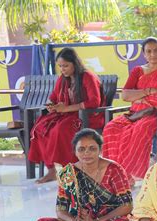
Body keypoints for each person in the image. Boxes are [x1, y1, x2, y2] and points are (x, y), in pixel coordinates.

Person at [102, 37, 157, 183]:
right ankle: (115, 172)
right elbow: (125, 94)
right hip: (134, 114)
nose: (153, 54)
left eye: (156, 50)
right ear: (144, 54)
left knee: (141, 128)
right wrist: (149, 91)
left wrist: (139, 98)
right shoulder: (138, 71)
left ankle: (129, 174)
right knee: (111, 127)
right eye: (149, 51)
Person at [35, 129, 132, 221]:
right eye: (81, 149)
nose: (87, 153)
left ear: (100, 150)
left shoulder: (114, 169)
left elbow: (127, 205)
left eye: (92, 148)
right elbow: (60, 210)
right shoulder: (68, 173)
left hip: (108, 219)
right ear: (75, 152)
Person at [29, 48, 104, 184]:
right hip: (67, 114)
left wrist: (66, 108)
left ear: (74, 63)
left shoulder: (87, 77)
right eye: (60, 66)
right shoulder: (62, 79)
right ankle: (51, 170)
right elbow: (53, 97)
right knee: (40, 128)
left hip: (87, 116)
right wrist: (51, 105)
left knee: (61, 129)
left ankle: (70, 170)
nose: (63, 69)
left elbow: (94, 102)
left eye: (66, 66)